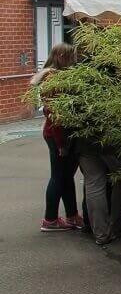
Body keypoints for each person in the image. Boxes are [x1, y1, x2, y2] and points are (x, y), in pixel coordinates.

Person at [31, 43, 84, 232]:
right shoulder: (54, 79)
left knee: (65, 176)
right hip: (58, 135)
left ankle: (71, 216)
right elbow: (56, 114)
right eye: (72, 57)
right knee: (59, 177)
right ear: (62, 56)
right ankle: (50, 219)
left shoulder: (51, 76)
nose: (75, 61)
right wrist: (62, 143)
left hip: (56, 133)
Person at [77, 139, 121, 246]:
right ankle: (117, 225)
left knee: (94, 185)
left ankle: (101, 234)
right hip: (111, 143)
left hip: (85, 142)